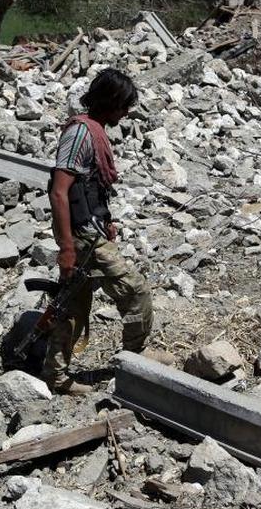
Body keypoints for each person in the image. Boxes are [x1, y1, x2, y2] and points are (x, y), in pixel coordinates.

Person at [44, 68, 175, 395]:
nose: (125, 113)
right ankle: (134, 362)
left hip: (92, 230)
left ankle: (57, 376)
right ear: (108, 102)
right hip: (81, 237)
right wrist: (66, 248)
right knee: (135, 291)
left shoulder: (95, 131)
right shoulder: (79, 135)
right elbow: (60, 191)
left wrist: (106, 219)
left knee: (75, 302)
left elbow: (90, 187)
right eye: (122, 106)